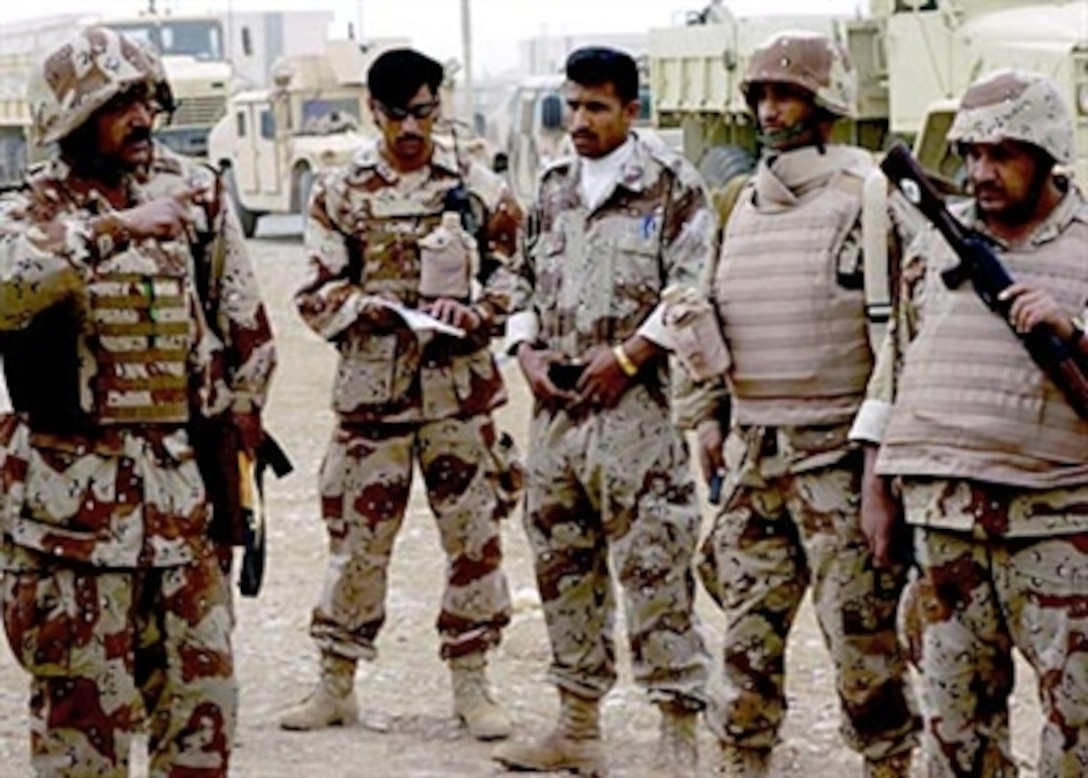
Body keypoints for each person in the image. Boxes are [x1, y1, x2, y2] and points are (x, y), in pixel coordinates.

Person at [0, 25, 276, 776]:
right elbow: (7, 288)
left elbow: (249, 333)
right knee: (77, 728)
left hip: (184, 510)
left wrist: (232, 449)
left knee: (202, 716)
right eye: (117, 102)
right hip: (69, 523)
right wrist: (114, 231)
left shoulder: (196, 194)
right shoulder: (29, 213)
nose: (141, 116)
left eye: (146, 98)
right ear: (69, 117)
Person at [681, 30, 919, 777]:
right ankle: (741, 761)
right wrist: (707, 418)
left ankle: (888, 763)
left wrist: (884, 465)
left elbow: (908, 340)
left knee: (862, 646)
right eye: (762, 95)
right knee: (746, 640)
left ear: (825, 105)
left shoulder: (874, 197)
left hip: (840, 458)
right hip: (757, 452)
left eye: (787, 95)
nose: (771, 110)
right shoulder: (739, 203)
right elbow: (708, 312)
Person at [279, 47, 524, 742]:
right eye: (394, 115)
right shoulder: (341, 191)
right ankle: (335, 684)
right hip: (372, 402)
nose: (409, 129)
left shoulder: (477, 187)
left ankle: (474, 687)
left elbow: (518, 276)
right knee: (356, 546)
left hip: (459, 398)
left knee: (474, 544)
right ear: (373, 112)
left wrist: (478, 314)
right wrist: (371, 308)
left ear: (438, 107)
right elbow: (315, 294)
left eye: (421, 113)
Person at [853, 68, 1088, 777]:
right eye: (972, 154)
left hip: (1058, 526)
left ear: (1048, 155)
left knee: (1078, 733)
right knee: (956, 739)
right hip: (947, 523)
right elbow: (898, 365)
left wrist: (1073, 327)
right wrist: (877, 482)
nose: (981, 173)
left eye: (1003, 154)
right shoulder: (935, 246)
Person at [490, 46, 713, 776]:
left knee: (655, 570)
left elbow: (690, 294)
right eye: (572, 105)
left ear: (631, 111)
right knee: (563, 568)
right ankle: (578, 728)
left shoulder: (671, 188)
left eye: (596, 108)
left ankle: (677, 731)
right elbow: (520, 283)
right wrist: (524, 355)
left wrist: (626, 360)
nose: (579, 121)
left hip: (637, 418)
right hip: (558, 418)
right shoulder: (552, 187)